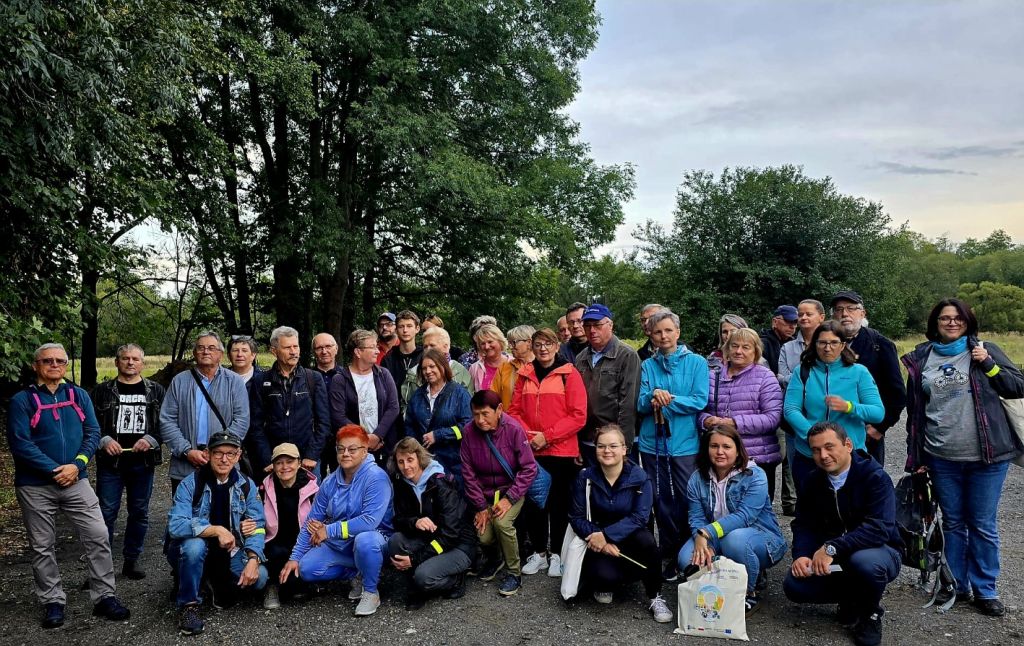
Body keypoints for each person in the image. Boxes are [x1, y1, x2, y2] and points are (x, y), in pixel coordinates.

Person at [902, 298, 1024, 617]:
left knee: (982, 523)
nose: (952, 322)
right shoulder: (921, 358)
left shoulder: (985, 349)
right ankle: (955, 584)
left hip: (988, 457)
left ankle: (986, 590)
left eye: (958, 318)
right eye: (945, 318)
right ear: (935, 323)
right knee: (953, 523)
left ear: (968, 321)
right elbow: (915, 415)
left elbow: (1016, 387)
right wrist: (917, 458)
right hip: (942, 456)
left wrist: (988, 364)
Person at [7, 343, 131, 628]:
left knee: (99, 534)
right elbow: (21, 444)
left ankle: (104, 597)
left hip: (77, 480)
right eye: (47, 360)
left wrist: (78, 464)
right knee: (42, 545)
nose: (54, 365)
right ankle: (52, 601)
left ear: (65, 364)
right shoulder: (22, 401)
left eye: (59, 361)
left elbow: (93, 432)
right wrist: (54, 470)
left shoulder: (78, 395)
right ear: (36, 365)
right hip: (35, 485)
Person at [783, 422, 903, 646]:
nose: (823, 455)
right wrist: (801, 554)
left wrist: (832, 547)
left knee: (866, 563)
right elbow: (804, 524)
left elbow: (880, 528)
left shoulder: (874, 477)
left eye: (829, 447)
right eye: (816, 450)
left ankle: (870, 614)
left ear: (848, 445)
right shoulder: (812, 480)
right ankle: (852, 599)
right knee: (794, 585)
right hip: (837, 558)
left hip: (879, 552)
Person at [281, 425, 393, 617]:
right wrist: (295, 557)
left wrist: (328, 530)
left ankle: (371, 591)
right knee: (307, 569)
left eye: (352, 449)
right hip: (342, 543)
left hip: (376, 538)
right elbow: (312, 520)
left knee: (365, 540)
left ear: (365, 451)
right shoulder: (330, 482)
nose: (345, 454)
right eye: (341, 449)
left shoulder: (376, 477)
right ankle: (357, 573)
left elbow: (369, 520)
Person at [567, 425, 673, 623]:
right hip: (596, 538)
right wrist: (601, 540)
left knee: (649, 544)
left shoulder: (640, 477)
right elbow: (576, 517)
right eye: (601, 446)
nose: (607, 451)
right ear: (595, 448)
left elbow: (640, 517)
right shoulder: (585, 477)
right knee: (604, 578)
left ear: (625, 449)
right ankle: (608, 581)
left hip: (631, 534)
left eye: (613, 446)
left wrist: (607, 535)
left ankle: (654, 595)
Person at [677, 426, 787, 615]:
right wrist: (700, 539)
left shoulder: (755, 475)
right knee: (685, 560)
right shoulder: (697, 478)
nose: (720, 452)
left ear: (738, 450)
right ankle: (726, 578)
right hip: (714, 535)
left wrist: (706, 533)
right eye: (714, 446)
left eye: (727, 446)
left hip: (759, 536)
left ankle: (750, 590)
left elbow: (745, 516)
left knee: (734, 540)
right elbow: (696, 517)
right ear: (706, 449)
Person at [167, 431, 268, 636]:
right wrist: (216, 530)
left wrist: (253, 558)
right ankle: (189, 606)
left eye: (230, 454)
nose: (224, 459)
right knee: (194, 547)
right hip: (192, 548)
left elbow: (257, 525)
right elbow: (176, 525)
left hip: (229, 551)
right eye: (218, 453)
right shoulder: (190, 484)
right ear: (207, 454)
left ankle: (208, 580)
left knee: (261, 578)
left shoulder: (246, 485)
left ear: (238, 456)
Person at [507, 328, 587, 579]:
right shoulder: (525, 374)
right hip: (532, 450)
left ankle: (557, 556)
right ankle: (539, 552)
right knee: (534, 503)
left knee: (559, 504)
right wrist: (530, 437)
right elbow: (513, 410)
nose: (543, 348)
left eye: (548, 344)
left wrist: (548, 436)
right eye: (538, 344)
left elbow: (578, 415)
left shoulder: (569, 374)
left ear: (556, 346)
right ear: (532, 346)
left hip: (561, 450)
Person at [635, 310, 709, 580]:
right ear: (651, 336)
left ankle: (689, 549)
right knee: (660, 498)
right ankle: (668, 550)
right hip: (652, 442)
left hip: (685, 442)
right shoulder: (647, 366)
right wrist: (653, 395)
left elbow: (699, 401)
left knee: (687, 497)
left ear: (678, 332)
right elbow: (640, 403)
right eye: (657, 332)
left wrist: (667, 398)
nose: (663, 336)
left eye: (668, 331)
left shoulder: (698, 363)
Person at [91, 343, 165, 580]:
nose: (130, 362)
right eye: (125, 358)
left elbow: (167, 423)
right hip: (110, 464)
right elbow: (90, 424)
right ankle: (101, 567)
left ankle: (131, 561)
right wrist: (103, 440)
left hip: (142, 463)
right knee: (105, 513)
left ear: (143, 363)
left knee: (139, 512)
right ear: (116, 362)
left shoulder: (156, 391)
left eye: (135, 359)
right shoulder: (102, 391)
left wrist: (152, 439)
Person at [783, 321, 885, 490]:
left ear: (843, 345)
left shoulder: (859, 372)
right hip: (810, 455)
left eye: (833, 343)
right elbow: (790, 409)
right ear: (814, 344)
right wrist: (812, 436)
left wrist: (849, 407)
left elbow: (877, 413)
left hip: (849, 456)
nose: (827, 348)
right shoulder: (802, 371)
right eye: (822, 342)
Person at [460, 390, 538, 597]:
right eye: (475, 414)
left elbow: (529, 468)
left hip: (511, 489)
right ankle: (494, 559)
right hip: (484, 492)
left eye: (485, 414)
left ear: (499, 410)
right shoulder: (469, 432)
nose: (480, 420)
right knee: (484, 535)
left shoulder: (513, 429)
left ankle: (514, 572)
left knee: (503, 524)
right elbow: (467, 473)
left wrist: (509, 499)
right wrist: (480, 507)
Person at [388, 438, 475, 609]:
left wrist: (414, 559)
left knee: (424, 576)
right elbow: (397, 520)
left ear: (420, 458)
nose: (406, 466)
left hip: (457, 545)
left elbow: (450, 535)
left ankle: (455, 579)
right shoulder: (402, 483)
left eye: (410, 460)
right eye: (401, 461)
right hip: (430, 540)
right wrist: (415, 521)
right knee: (395, 541)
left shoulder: (441, 483)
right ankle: (415, 588)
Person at [699, 328, 784, 500]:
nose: (739, 351)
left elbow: (773, 418)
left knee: (755, 513)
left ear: (756, 352)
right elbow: (699, 409)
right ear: (727, 349)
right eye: (734, 346)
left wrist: (734, 423)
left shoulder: (765, 377)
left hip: (756, 457)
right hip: (720, 456)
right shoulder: (712, 376)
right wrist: (706, 420)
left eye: (746, 347)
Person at [161, 331, 249, 493]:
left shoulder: (234, 382)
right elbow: (167, 420)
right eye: (200, 348)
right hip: (185, 466)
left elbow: (242, 420)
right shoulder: (180, 381)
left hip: (224, 465)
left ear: (221, 354)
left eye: (211, 348)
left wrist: (218, 451)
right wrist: (186, 451)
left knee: (223, 515)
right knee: (185, 514)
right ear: (194, 353)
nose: (205, 351)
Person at [831, 290, 907, 468]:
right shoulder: (825, 343)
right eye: (839, 309)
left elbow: (897, 393)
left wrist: (881, 427)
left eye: (851, 308)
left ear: (862, 313)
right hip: (830, 430)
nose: (844, 314)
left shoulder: (880, 345)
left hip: (866, 432)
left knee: (868, 484)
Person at [248, 326, 331, 475]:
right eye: (287, 347)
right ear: (274, 351)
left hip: (306, 460)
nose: (293, 351)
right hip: (275, 460)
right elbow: (255, 426)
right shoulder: (260, 381)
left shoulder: (313, 378)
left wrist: (312, 455)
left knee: (310, 498)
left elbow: (323, 422)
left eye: (296, 346)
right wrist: (267, 459)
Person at [250, 443, 319, 609]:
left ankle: (298, 583)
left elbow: (325, 518)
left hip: (303, 544)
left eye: (290, 461)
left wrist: (320, 527)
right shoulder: (262, 488)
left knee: (297, 586)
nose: (285, 467)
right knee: (274, 555)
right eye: (279, 463)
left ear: (299, 463)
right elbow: (255, 519)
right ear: (273, 466)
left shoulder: (313, 489)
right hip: (273, 544)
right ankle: (271, 586)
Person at [574, 304, 642, 466]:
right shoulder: (580, 358)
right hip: (588, 440)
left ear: (610, 325)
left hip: (615, 443)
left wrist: (623, 444)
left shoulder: (627, 355)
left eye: (597, 325)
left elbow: (628, 403)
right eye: (587, 325)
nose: (592, 330)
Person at [777, 299, 826, 514]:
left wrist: (798, 379)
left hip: (825, 421)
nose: (803, 318)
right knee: (800, 475)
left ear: (821, 317)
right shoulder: (787, 347)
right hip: (796, 423)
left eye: (809, 314)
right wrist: (805, 379)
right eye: (801, 314)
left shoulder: (828, 343)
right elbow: (781, 376)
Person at [329, 329, 400, 469]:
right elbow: (338, 416)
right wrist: (364, 439)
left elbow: (393, 407)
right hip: (354, 450)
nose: (377, 351)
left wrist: (378, 435)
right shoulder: (340, 380)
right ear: (358, 352)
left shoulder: (383, 374)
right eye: (372, 347)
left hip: (384, 447)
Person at [405, 348, 473, 489]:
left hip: (453, 465)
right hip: (425, 464)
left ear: (442, 366)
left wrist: (439, 435)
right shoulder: (418, 396)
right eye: (424, 368)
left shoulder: (460, 394)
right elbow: (409, 425)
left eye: (432, 366)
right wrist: (415, 448)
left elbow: (468, 426)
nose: (428, 371)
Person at [381, 310, 424, 409]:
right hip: (394, 411)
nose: (405, 330)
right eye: (401, 326)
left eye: (409, 326)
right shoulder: (388, 359)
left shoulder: (424, 356)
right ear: (396, 330)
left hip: (420, 410)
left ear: (417, 329)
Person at [490, 324, 535, 409]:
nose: (510, 347)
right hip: (509, 420)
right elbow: (493, 397)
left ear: (529, 342)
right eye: (509, 343)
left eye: (513, 342)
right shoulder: (504, 368)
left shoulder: (542, 367)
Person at [469, 323, 509, 393]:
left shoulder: (513, 364)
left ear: (500, 341)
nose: (487, 346)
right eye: (482, 343)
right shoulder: (475, 368)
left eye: (490, 342)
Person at [760, 305, 798, 377]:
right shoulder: (761, 344)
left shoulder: (796, 345)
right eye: (788, 321)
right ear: (775, 322)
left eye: (795, 322)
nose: (792, 326)